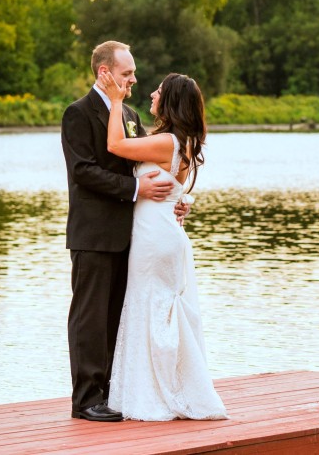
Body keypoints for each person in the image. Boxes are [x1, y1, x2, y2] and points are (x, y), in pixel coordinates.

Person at [60, 41, 188, 422]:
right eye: (126, 73)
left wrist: (176, 199)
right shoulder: (78, 114)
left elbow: (150, 163)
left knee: (115, 315)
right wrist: (137, 190)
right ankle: (85, 400)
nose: (133, 79)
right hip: (93, 234)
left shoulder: (129, 114)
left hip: (132, 237)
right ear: (105, 73)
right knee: (90, 317)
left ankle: (109, 393)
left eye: (132, 73)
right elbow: (83, 171)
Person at [99, 69, 228, 421]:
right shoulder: (180, 142)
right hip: (162, 232)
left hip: (154, 238)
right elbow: (172, 187)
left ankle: (161, 390)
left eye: (158, 91)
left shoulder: (168, 142)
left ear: (170, 101)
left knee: (149, 306)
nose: (152, 95)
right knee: (155, 306)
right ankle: (167, 384)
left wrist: (114, 101)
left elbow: (115, 146)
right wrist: (182, 201)